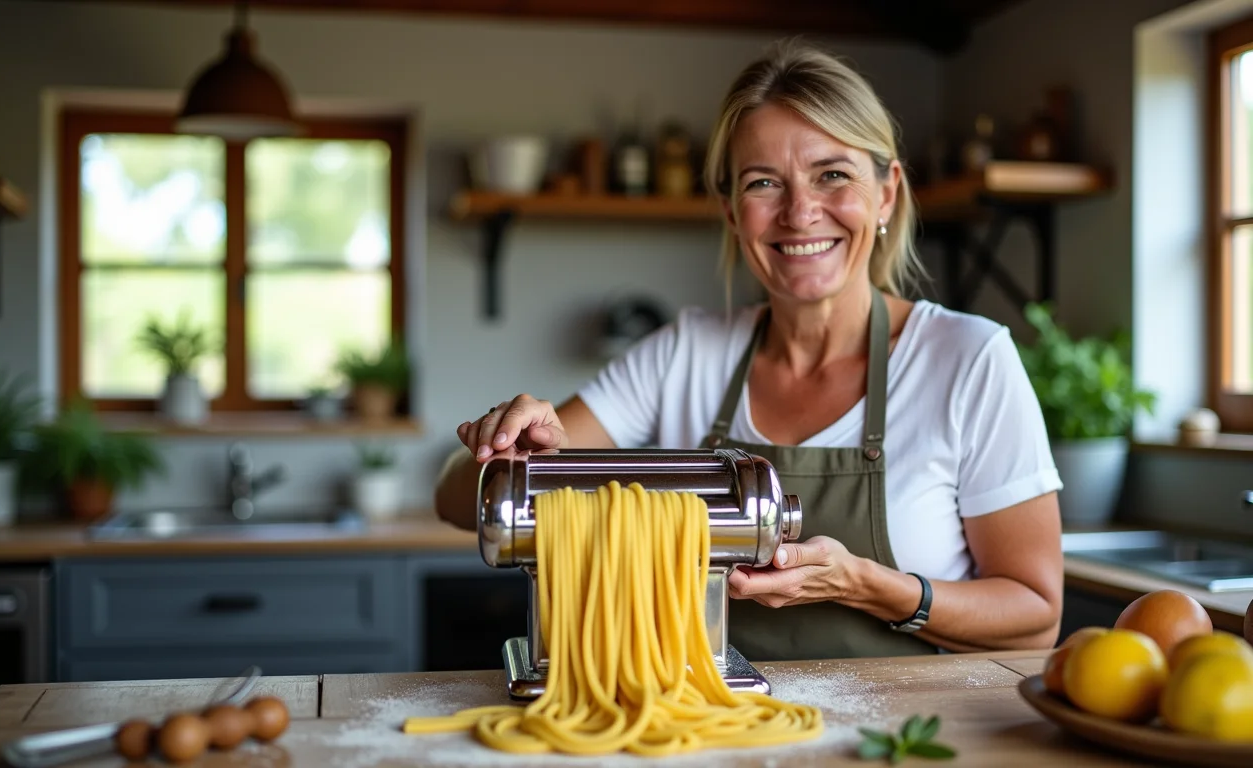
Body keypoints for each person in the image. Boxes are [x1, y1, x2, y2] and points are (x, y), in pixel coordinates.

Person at [435, 39, 1064, 660]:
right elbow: (457, 502)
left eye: (833, 175)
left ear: (887, 193)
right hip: (708, 731)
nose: (799, 212)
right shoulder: (686, 354)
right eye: (765, 183)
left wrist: (873, 588)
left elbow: (1035, 616)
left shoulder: (968, 359)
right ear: (734, 214)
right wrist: (507, 454)